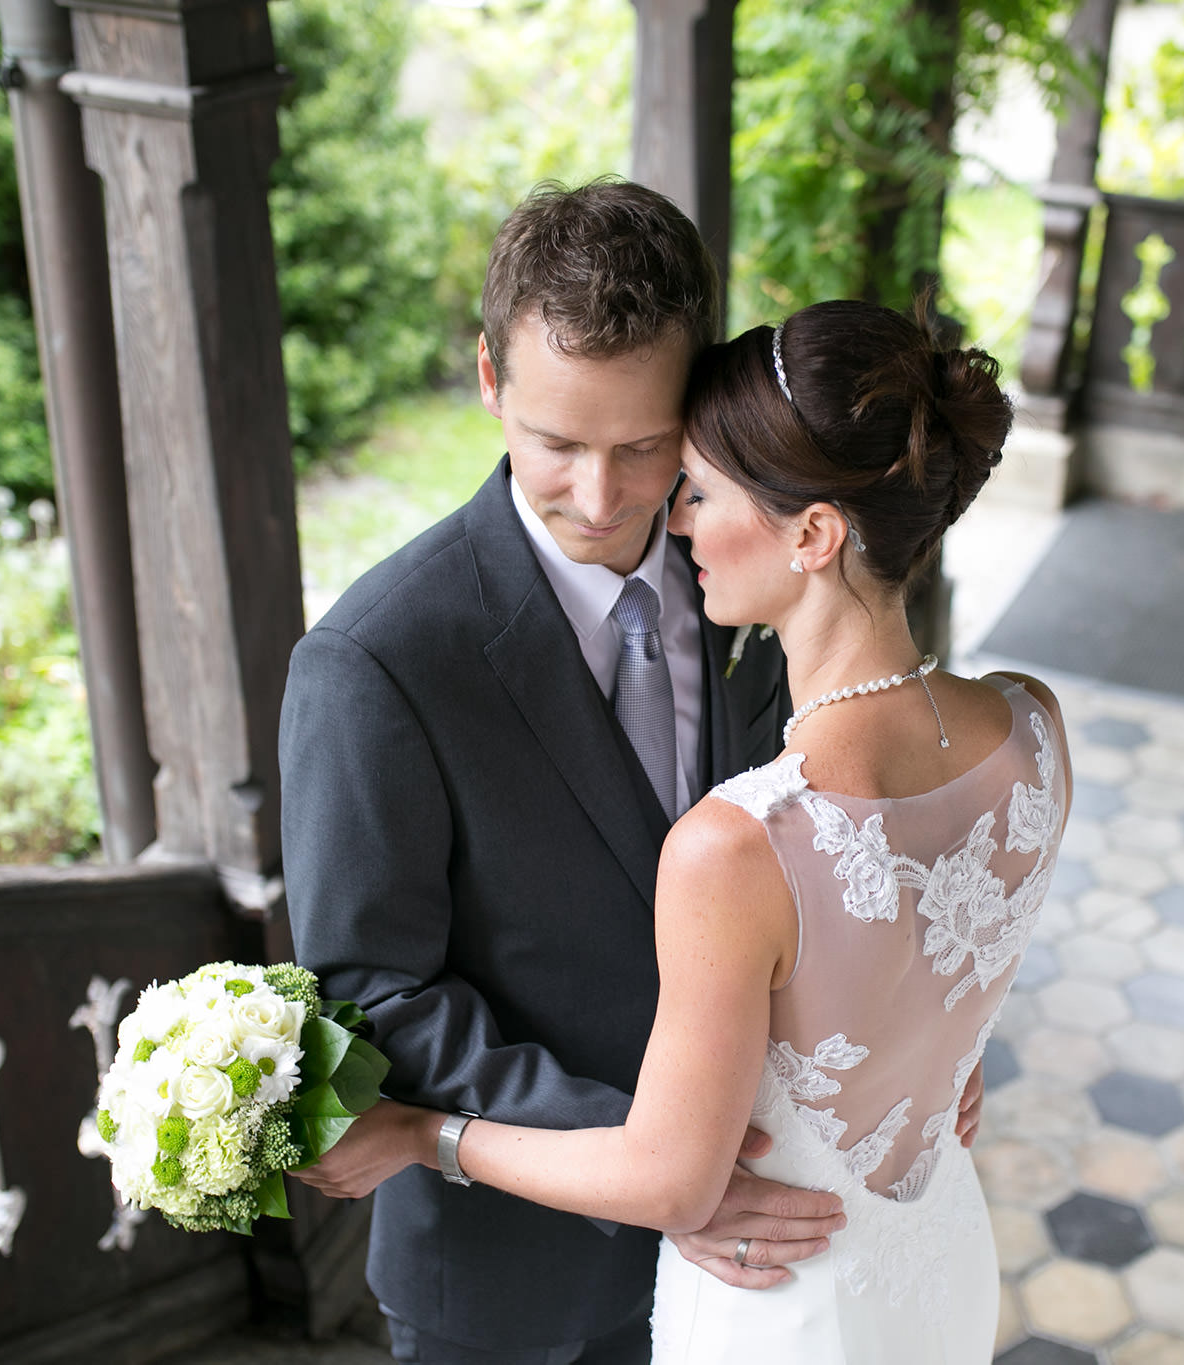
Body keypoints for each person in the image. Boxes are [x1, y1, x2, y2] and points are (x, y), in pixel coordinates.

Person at [279, 180, 984, 1364]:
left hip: (765, 1265)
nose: (600, 500)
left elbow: (836, 834)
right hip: (515, 1275)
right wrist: (661, 1162)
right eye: (555, 444)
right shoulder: (377, 662)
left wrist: (922, 1041)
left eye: (644, 448)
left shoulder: (750, 573)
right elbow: (371, 991)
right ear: (491, 381)